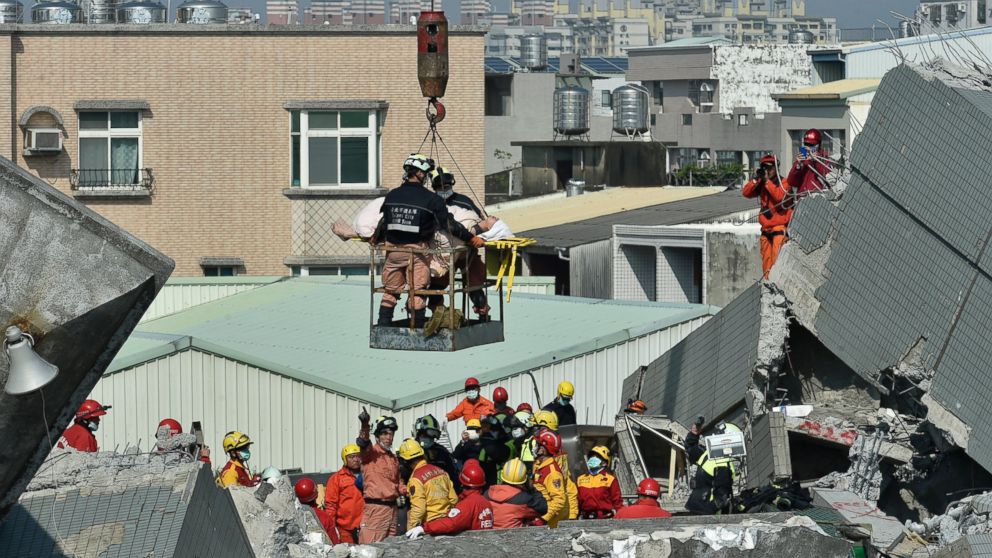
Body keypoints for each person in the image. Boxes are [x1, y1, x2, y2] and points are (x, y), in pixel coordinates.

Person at [372, 153, 485, 328]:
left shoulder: (392, 195)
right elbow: (450, 225)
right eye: (424, 173)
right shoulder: (430, 199)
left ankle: (383, 325)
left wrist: (374, 238)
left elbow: (384, 222)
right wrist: (471, 238)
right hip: (417, 253)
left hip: (393, 253)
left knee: (390, 291)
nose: (425, 176)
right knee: (418, 291)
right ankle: (416, 328)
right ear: (419, 173)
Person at [429, 166, 495, 318]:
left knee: (474, 283)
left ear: (452, 184)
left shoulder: (464, 201)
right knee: (436, 284)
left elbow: (482, 221)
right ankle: (439, 315)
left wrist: (477, 236)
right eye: (440, 187)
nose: (444, 189)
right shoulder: (432, 203)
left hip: (467, 252)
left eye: (447, 186)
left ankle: (482, 311)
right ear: (434, 187)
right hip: (442, 254)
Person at [406, 460, 494, 538]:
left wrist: (424, 528)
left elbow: (451, 523)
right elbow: (453, 499)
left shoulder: (468, 504)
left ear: (463, 483)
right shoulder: (486, 502)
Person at [742, 154, 793, 279]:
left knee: (777, 262)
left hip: (779, 229)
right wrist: (756, 179)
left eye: (770, 168)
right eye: (764, 168)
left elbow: (780, 197)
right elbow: (746, 193)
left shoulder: (784, 183)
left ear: (776, 168)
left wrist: (767, 183)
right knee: (766, 263)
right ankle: (768, 287)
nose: (767, 171)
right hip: (766, 230)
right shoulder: (762, 184)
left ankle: (777, 286)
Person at [356, 410, 403, 543]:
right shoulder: (370, 453)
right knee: (369, 550)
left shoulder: (393, 458)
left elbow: (397, 482)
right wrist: (365, 424)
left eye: (391, 433)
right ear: (377, 436)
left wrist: (407, 490)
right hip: (376, 510)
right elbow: (363, 442)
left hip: (392, 510)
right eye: (384, 433)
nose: (389, 437)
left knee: (390, 550)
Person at [398, 438, 458, 531]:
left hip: (430, 526)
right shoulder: (441, 472)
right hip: (446, 522)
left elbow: (419, 510)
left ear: (406, 461)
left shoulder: (415, 479)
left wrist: (411, 529)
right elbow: (454, 499)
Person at [685, 421, 739, 515]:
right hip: (697, 508)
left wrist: (707, 512)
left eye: (719, 435)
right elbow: (691, 450)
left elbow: (722, 498)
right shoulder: (708, 454)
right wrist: (694, 434)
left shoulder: (723, 465)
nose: (715, 436)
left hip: (708, 514)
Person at [485, 459, 548, 529]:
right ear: (524, 479)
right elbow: (543, 508)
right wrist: (532, 489)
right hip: (513, 537)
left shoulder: (487, 493)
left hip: (489, 536)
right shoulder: (523, 499)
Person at [325, 443, 365, 545]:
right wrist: (332, 528)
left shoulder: (368, 474)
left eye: (358, 456)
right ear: (345, 459)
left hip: (366, 526)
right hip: (346, 528)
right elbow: (331, 505)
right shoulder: (336, 479)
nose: (356, 459)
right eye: (351, 457)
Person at [532, 429, 569, 527]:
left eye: (537, 444)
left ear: (543, 450)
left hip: (549, 525)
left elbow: (559, 500)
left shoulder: (552, 473)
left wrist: (543, 519)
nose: (534, 447)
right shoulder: (540, 466)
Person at [415, 414, 460, 492]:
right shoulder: (410, 449)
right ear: (419, 432)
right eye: (427, 435)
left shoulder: (442, 451)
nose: (430, 438)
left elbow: (453, 474)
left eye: (434, 435)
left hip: (440, 495)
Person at [576, 446, 622, 519]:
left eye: (597, 457)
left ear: (604, 463)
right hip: (585, 519)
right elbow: (576, 502)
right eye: (591, 456)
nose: (592, 459)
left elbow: (617, 503)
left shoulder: (610, 479)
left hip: (605, 518)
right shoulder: (580, 479)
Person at [787, 129, 831, 198]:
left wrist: (815, 161)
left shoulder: (825, 159)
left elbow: (828, 179)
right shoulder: (802, 160)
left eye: (811, 145)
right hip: (802, 199)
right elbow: (792, 182)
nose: (808, 147)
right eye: (806, 144)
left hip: (818, 199)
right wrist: (797, 166)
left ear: (818, 145)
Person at [478, 415, 511, 487]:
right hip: (484, 469)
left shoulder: (500, 438)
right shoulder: (481, 438)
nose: (485, 427)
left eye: (487, 424)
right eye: (483, 425)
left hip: (494, 470)